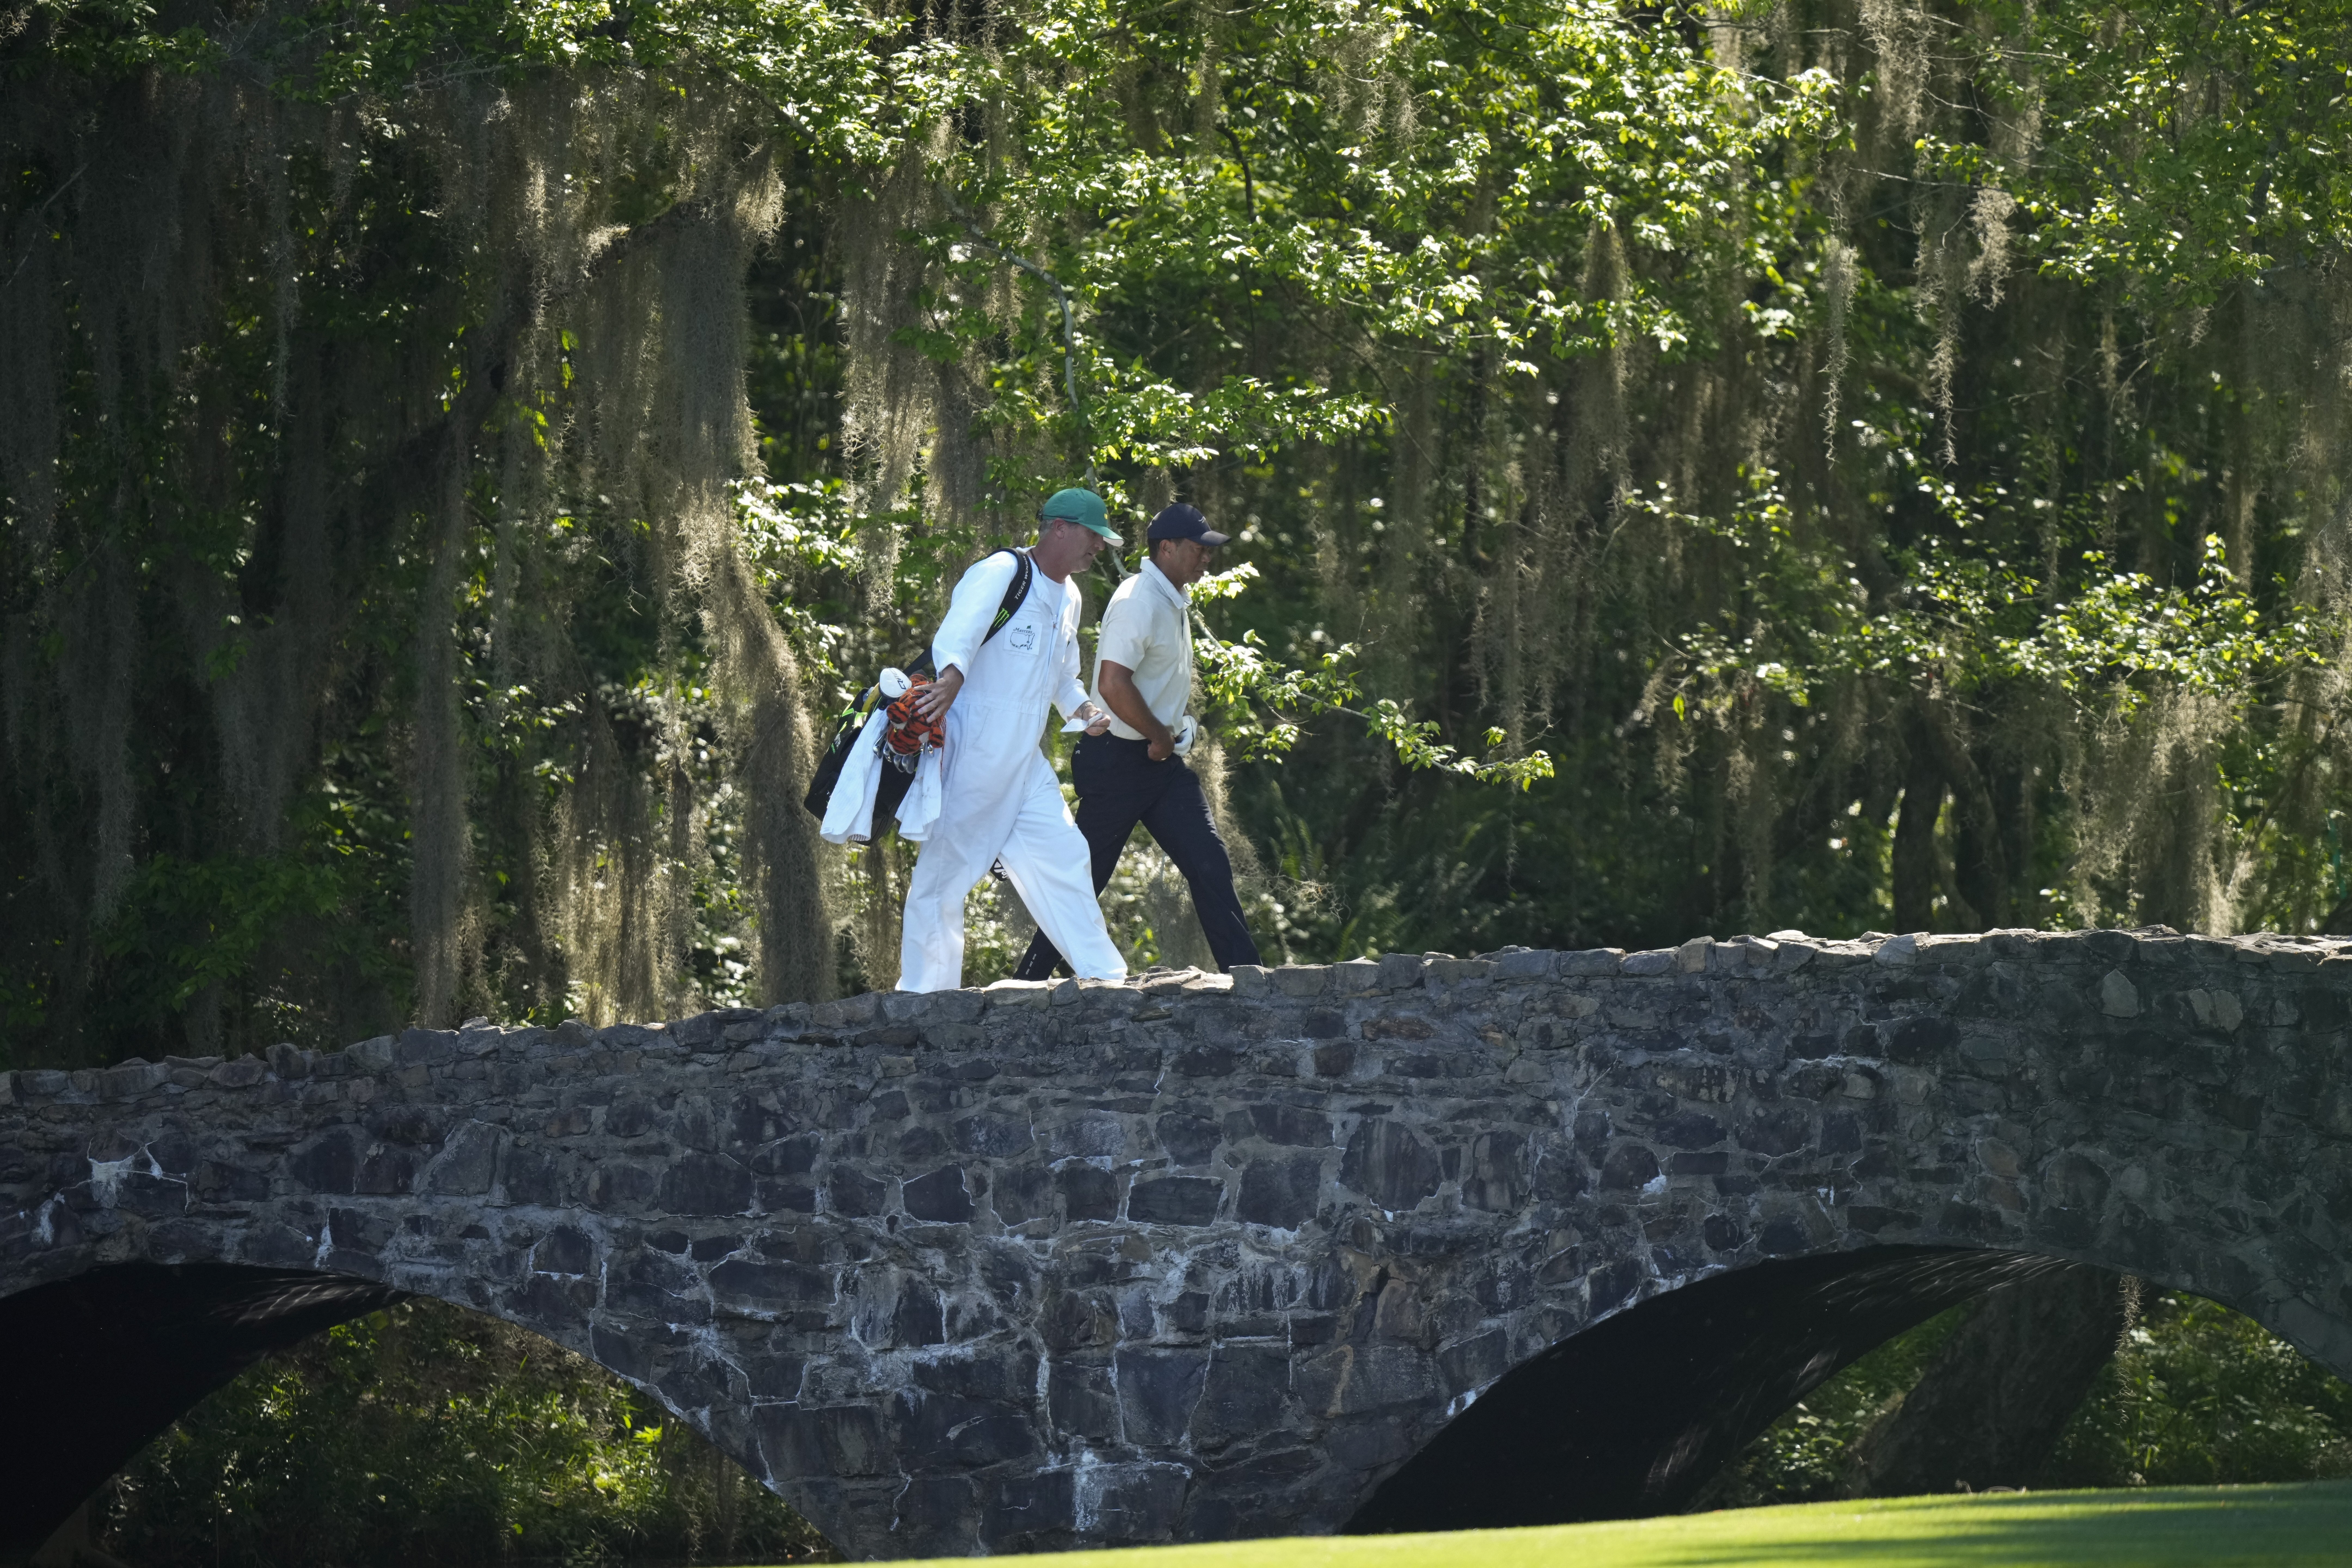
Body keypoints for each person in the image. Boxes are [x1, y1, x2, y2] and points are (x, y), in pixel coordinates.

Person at [1012, 503, 1263, 980]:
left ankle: (1249, 977)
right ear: (1166, 549)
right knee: (1084, 880)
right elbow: (1112, 685)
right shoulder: (1137, 600)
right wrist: (1159, 736)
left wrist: (1166, 738)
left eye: (1207, 550)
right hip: (1120, 761)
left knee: (1209, 862)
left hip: (1159, 763)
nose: (1206, 558)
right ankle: (1027, 982)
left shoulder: (1170, 598)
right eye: (1197, 549)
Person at [896, 489, 1129, 993]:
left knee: (1065, 853)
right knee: (946, 874)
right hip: (973, 747)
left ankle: (1106, 979)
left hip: (1024, 757)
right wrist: (953, 678)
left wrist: (1083, 710)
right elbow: (958, 634)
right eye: (1094, 537)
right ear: (1061, 529)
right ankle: (923, 996)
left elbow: (1063, 677)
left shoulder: (1070, 596)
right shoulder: (1003, 571)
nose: (1099, 549)